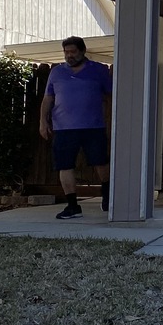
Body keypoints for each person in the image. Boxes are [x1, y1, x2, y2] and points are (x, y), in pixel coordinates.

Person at [39, 36, 112, 218]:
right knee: (64, 165)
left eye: (73, 52)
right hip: (63, 128)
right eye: (66, 52)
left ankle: (108, 195)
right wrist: (43, 121)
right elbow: (48, 98)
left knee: (101, 162)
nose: (69, 56)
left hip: (92, 127)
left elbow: (112, 95)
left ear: (82, 51)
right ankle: (72, 205)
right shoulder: (56, 72)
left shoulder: (99, 70)